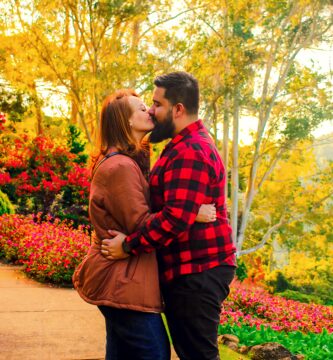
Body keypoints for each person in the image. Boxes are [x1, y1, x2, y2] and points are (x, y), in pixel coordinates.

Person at [101, 72, 237, 360]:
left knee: (197, 354)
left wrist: (127, 247)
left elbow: (174, 218)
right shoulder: (177, 146)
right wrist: (190, 212)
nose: (151, 110)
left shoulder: (190, 150)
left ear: (178, 109)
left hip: (197, 272)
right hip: (189, 270)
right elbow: (173, 209)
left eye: (156, 104)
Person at [73, 89, 216, 360]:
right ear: (125, 122)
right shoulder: (121, 168)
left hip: (124, 277)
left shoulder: (127, 161)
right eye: (140, 108)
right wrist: (189, 212)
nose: (149, 111)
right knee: (154, 353)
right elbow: (141, 224)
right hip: (122, 279)